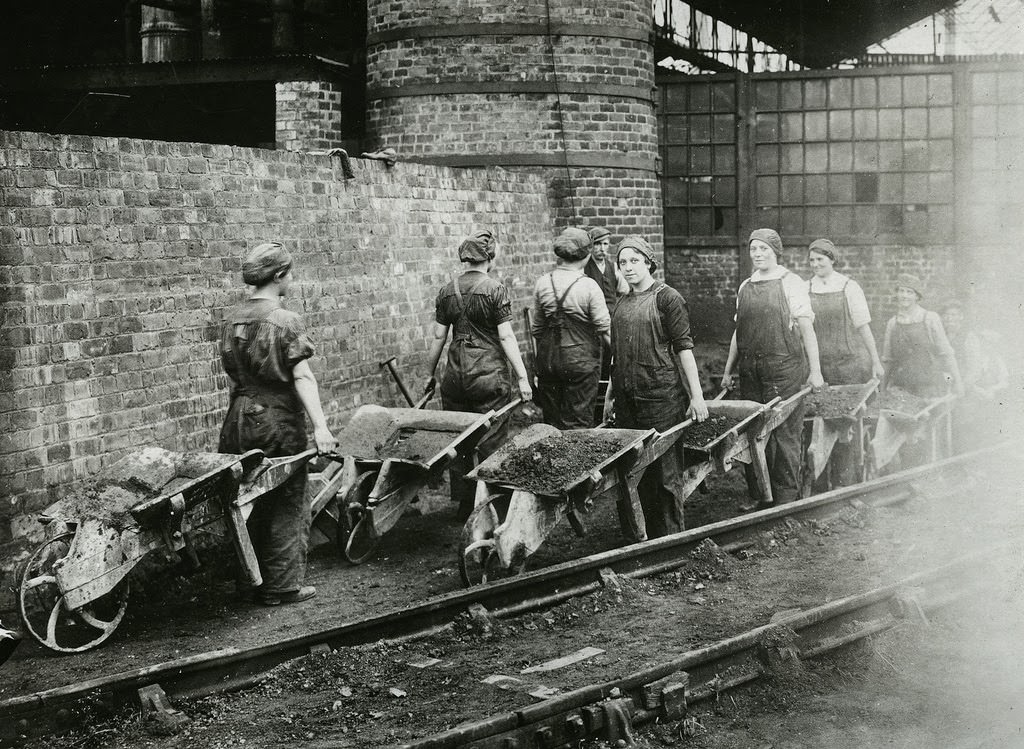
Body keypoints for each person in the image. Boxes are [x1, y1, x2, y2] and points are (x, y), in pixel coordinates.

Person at [218, 242, 338, 606]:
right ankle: (282, 587)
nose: (292, 280)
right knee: (287, 498)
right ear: (279, 275)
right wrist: (321, 428)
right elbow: (302, 377)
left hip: (238, 418)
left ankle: (247, 581)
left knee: (246, 498)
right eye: (290, 273)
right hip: (277, 421)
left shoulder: (232, 318)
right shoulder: (284, 319)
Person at [424, 229, 533, 521]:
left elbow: (438, 338)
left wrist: (429, 375)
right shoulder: (494, 289)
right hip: (488, 377)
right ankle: (494, 502)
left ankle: (465, 503)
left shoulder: (447, 290)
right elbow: (507, 337)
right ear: (490, 258)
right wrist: (522, 377)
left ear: (465, 259)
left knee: (461, 441)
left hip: (455, 377)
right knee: (493, 439)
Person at [607, 236, 708, 538]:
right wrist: (610, 396)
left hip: (661, 399)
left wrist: (698, 396)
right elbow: (617, 356)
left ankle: (669, 543)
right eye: (622, 262)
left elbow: (684, 349)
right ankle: (636, 541)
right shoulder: (622, 303)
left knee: (665, 476)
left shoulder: (667, 298)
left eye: (634, 260)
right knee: (631, 474)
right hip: (628, 399)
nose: (628, 267)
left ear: (649, 262)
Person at [721, 229, 824, 507]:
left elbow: (806, 329)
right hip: (751, 371)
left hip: (785, 370)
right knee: (753, 433)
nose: (758, 254)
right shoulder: (745, 286)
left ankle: (786, 499)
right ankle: (761, 497)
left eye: (764, 249)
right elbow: (738, 331)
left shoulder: (792, 283)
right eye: (753, 249)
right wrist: (729, 370)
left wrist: (815, 371)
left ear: (776, 252)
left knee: (785, 434)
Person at [531, 227, 611, 429]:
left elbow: (537, 330)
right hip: (581, 364)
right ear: (586, 255)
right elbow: (605, 330)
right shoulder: (589, 286)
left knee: (552, 423)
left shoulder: (543, 283)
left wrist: (539, 365)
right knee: (578, 422)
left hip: (548, 363)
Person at [806, 238, 884, 384]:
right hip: (819, 365)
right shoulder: (805, 288)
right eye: (812, 260)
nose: (815, 264)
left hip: (849, 364)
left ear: (832, 259)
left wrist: (876, 361)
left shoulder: (849, 287)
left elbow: (863, 327)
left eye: (820, 259)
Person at [880, 274, 963, 398]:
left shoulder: (930, 318)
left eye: (909, 292)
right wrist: (882, 389)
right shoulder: (892, 323)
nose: (904, 296)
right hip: (902, 386)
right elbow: (888, 361)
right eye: (901, 291)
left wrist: (958, 382)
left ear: (917, 296)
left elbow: (947, 354)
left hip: (929, 386)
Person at [941, 299, 1008, 450]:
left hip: (965, 389)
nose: (950, 319)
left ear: (961, 317)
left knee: (964, 422)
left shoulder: (969, 338)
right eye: (946, 316)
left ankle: (966, 462)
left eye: (954, 315)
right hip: (945, 387)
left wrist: (961, 389)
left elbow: (974, 370)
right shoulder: (940, 337)